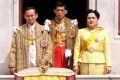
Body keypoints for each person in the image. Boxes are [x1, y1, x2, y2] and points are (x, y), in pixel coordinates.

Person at [9, 7, 53, 75]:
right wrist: (12, 65)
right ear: (24, 16)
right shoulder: (19, 30)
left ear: (36, 15)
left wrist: (45, 59)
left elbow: (49, 48)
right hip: (23, 65)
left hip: (40, 65)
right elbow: (13, 49)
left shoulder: (44, 30)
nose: (30, 18)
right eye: (28, 16)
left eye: (32, 15)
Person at [73, 9, 112, 75]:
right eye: (89, 18)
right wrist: (75, 64)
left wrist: (109, 64)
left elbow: (107, 49)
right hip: (84, 62)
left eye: (93, 18)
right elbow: (77, 49)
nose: (91, 20)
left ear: (97, 20)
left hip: (99, 63)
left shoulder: (104, 32)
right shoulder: (81, 31)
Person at [46, 1, 78, 68]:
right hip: (53, 52)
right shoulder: (49, 23)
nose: (60, 12)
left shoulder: (72, 23)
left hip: (67, 52)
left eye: (62, 10)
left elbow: (76, 41)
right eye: (58, 10)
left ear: (66, 11)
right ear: (54, 11)